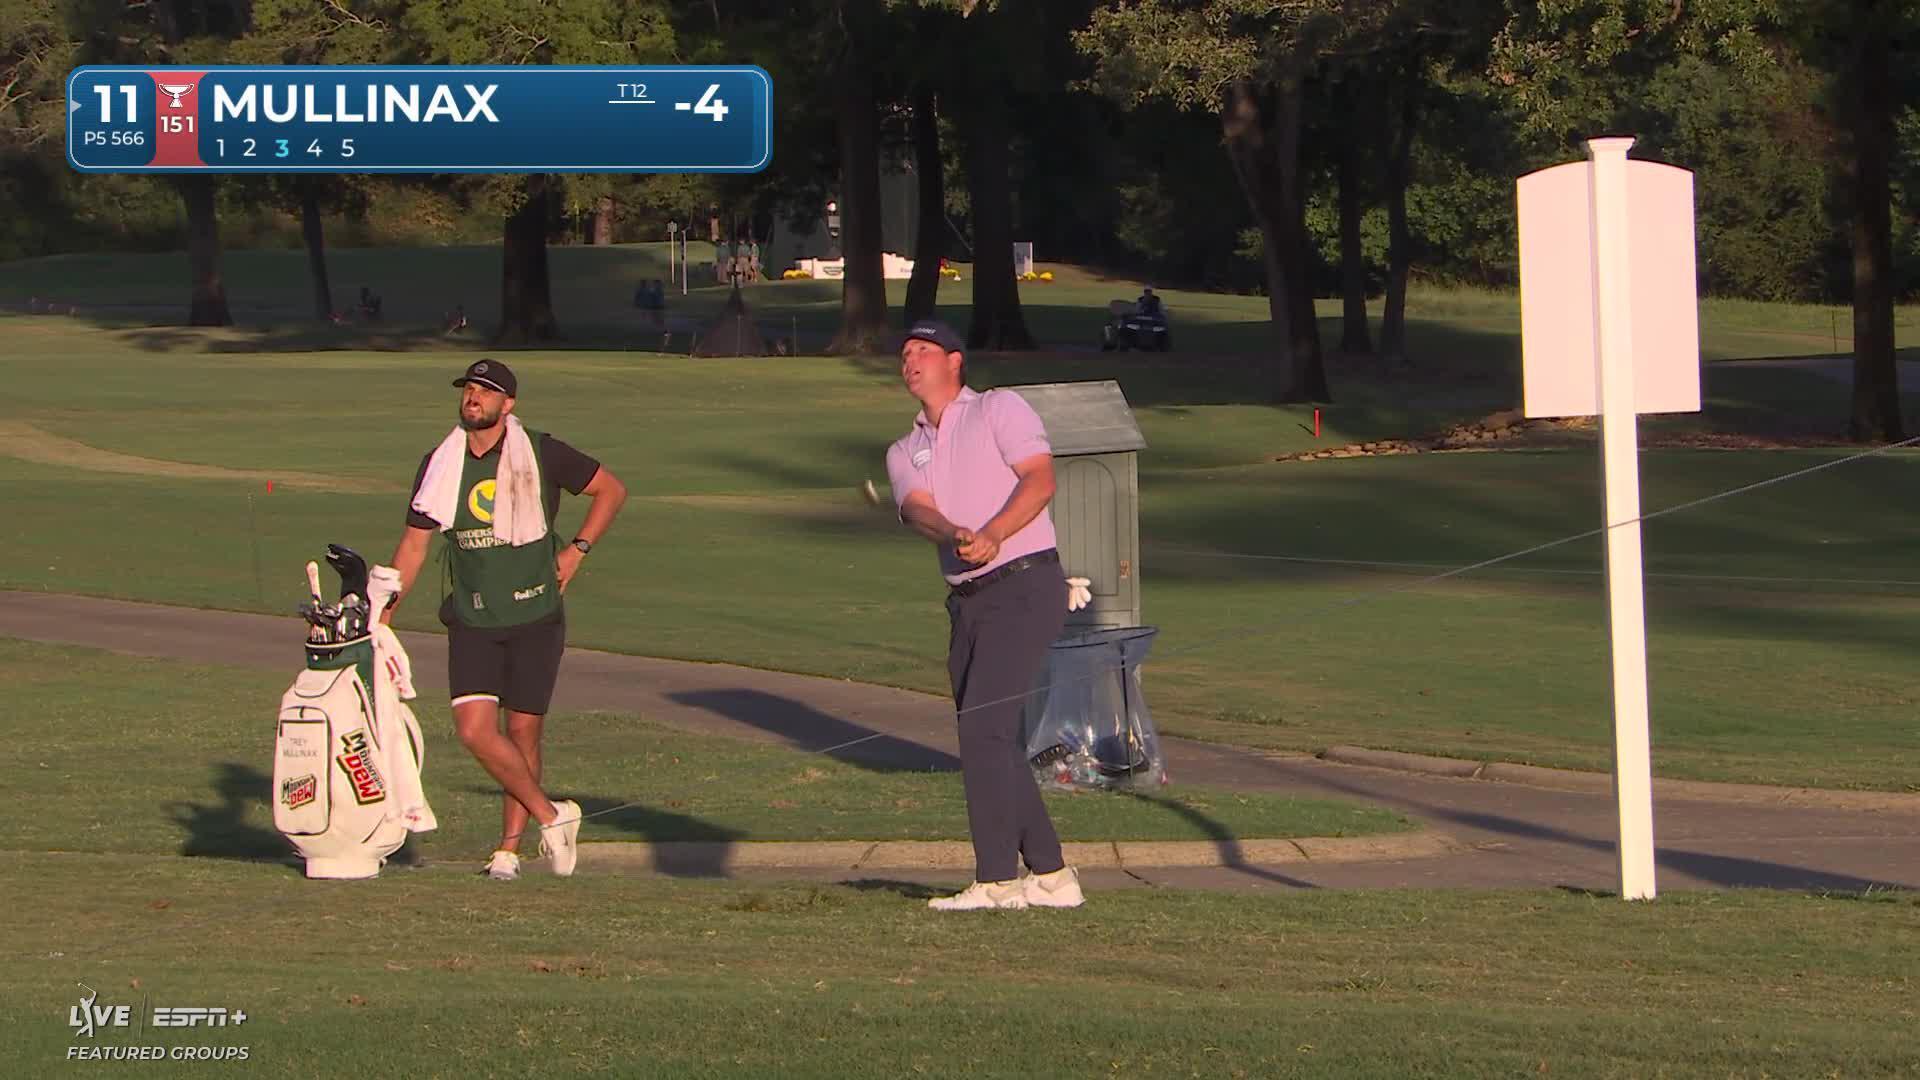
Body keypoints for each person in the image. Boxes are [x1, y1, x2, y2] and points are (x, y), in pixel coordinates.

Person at [384, 359, 628, 881]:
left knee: (522, 734)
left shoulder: (541, 452)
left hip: (535, 615)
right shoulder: (440, 464)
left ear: (508, 404)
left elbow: (611, 490)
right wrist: (383, 617)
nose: (474, 397)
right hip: (473, 616)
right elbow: (414, 546)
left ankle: (508, 852)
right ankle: (552, 816)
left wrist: (578, 550)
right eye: (469, 388)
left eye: (487, 391)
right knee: (475, 731)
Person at [883, 320, 1086, 911]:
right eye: (905, 353)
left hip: (1025, 584)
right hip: (967, 602)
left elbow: (1040, 480)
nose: (910, 360)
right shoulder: (904, 449)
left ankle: (996, 880)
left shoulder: (998, 408)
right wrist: (955, 532)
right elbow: (916, 508)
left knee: (983, 733)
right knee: (989, 737)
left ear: (954, 361)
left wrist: (994, 533)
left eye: (923, 350)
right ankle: (1052, 876)